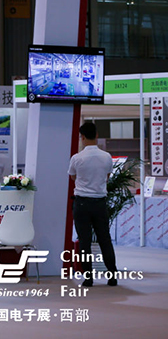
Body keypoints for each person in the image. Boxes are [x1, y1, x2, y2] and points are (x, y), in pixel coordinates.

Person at [69, 121, 117, 287]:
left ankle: (88, 278)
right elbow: (107, 177)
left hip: (82, 203)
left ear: (82, 137)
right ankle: (112, 276)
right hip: (100, 203)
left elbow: (73, 177)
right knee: (105, 239)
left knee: (84, 241)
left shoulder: (77, 158)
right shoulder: (106, 157)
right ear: (96, 135)